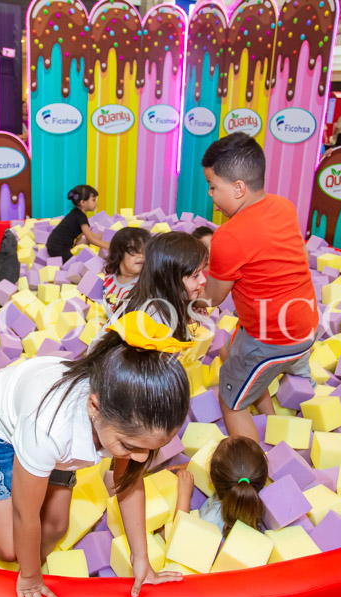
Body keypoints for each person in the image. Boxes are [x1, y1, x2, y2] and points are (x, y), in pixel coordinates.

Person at [0, 310, 192, 597]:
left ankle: (32, 557)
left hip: (60, 428)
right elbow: (25, 512)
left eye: (151, 450)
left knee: (57, 526)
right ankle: (5, 549)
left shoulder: (125, 421)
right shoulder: (48, 431)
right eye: (129, 447)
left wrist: (142, 560)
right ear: (94, 408)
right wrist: (30, 579)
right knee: (9, 548)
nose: (140, 459)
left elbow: (129, 485)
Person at [201, 133, 318, 443]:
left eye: (213, 187)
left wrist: (187, 293)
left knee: (230, 402)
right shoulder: (283, 206)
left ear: (238, 188)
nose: (210, 194)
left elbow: (212, 298)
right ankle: (273, 424)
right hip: (305, 325)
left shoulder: (229, 235)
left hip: (273, 340)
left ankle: (250, 479)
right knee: (231, 352)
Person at [91, 232, 209, 353]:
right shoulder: (149, 318)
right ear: (170, 278)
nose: (203, 280)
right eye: (196, 275)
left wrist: (186, 315)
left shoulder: (156, 301)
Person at [174, 436, 268, 536]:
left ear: (210, 477)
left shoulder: (210, 521)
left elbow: (181, 535)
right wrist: (192, 465)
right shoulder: (252, 495)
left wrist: (184, 494)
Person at [46, 185, 109, 263]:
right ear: (82, 202)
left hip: (53, 244)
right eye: (93, 200)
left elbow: (90, 235)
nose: (96, 203)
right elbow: (91, 239)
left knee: (84, 243)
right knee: (78, 263)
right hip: (58, 249)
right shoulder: (80, 217)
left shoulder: (77, 213)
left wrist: (103, 236)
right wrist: (108, 246)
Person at [102, 227, 150, 316]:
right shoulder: (107, 280)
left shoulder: (145, 284)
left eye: (145, 251)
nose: (141, 256)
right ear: (118, 253)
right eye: (134, 250)